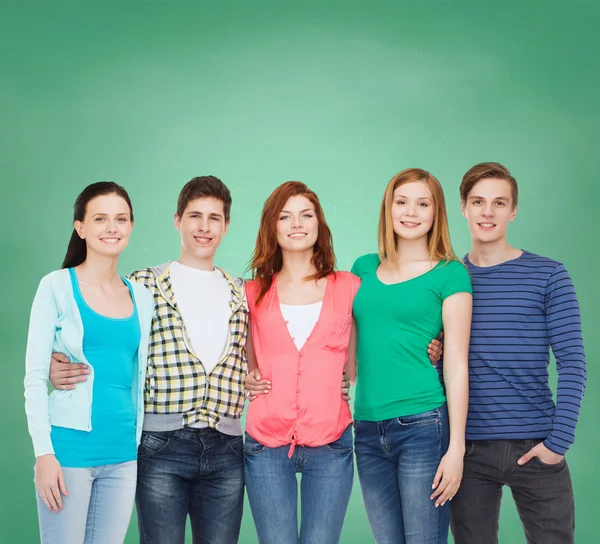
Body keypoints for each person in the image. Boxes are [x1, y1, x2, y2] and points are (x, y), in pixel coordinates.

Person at [48, 176, 248, 544]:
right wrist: (54, 363)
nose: (204, 227)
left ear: (226, 225)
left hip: (227, 447)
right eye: (194, 216)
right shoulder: (143, 286)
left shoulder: (242, 292)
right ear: (177, 220)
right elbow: (103, 335)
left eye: (214, 218)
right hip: (161, 445)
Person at [243, 181, 445, 543]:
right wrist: (245, 377)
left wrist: (433, 342)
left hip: (331, 443)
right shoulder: (251, 293)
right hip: (266, 443)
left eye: (307, 215)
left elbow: (391, 319)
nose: (297, 223)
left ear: (320, 225)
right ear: (271, 226)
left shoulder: (350, 285)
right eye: (285, 216)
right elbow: (235, 355)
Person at [449, 163, 586, 544]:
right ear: (463, 207)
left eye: (498, 202)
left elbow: (573, 363)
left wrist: (558, 443)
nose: (487, 212)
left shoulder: (549, 275)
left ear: (513, 210)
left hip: (537, 446)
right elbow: (444, 360)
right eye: (478, 202)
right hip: (468, 451)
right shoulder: (448, 279)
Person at [24, 182, 154, 544]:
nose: (112, 228)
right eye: (100, 219)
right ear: (80, 228)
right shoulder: (56, 286)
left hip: (124, 454)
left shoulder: (142, 298)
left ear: (130, 226)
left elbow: (138, 375)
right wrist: (43, 455)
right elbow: (34, 376)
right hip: (69, 451)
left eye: (121, 218)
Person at [351, 168, 472, 544]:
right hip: (367, 429)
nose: (410, 212)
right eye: (401, 202)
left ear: (437, 213)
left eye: (423, 204)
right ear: (388, 208)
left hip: (423, 425)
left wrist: (456, 450)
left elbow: (455, 363)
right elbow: (345, 351)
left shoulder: (451, 274)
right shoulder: (362, 268)